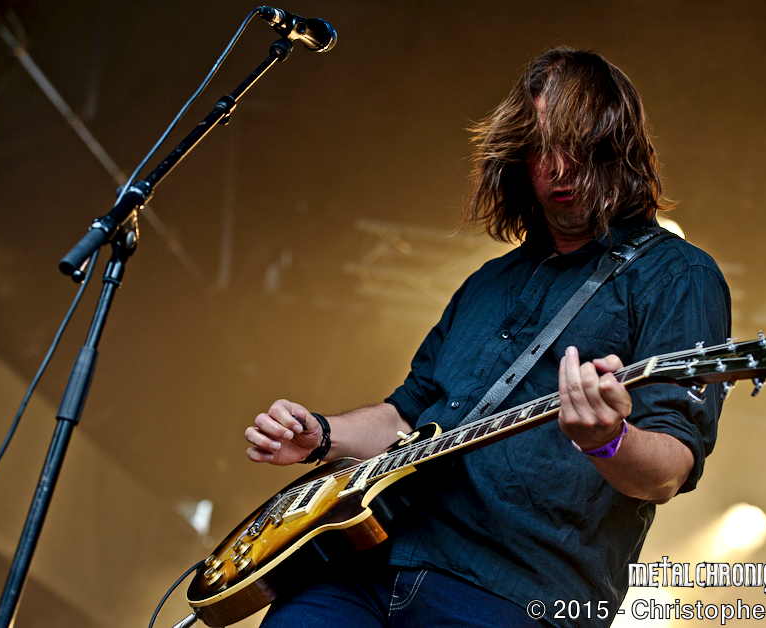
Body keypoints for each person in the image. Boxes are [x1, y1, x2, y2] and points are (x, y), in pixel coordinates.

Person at [245, 47, 731, 627]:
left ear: (616, 147)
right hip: (367, 564)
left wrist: (607, 440)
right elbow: (405, 415)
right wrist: (322, 435)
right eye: (540, 147)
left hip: (513, 591)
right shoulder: (487, 281)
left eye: (576, 145)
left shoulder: (679, 276)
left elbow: (671, 467)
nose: (558, 167)